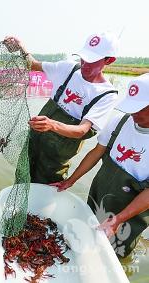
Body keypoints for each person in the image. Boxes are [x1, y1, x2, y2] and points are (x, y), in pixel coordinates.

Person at [52, 74, 149, 258]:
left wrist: (118, 219)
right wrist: (70, 181)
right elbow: (96, 152)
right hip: (100, 195)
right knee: (85, 237)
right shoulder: (120, 122)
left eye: (139, 108)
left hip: (131, 211)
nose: (133, 113)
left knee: (112, 254)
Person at [4, 32, 119, 184]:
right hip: (35, 141)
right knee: (22, 178)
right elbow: (33, 65)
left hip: (56, 157)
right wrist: (21, 47)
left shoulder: (107, 94)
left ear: (109, 60)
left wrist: (52, 125)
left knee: (47, 190)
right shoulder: (68, 69)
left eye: (92, 61)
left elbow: (82, 131)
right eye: (83, 58)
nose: (85, 64)